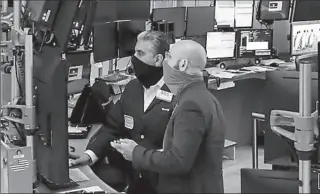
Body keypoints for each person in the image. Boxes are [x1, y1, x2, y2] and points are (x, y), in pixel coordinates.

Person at [111, 40, 226, 193]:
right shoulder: (204, 97)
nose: (164, 62)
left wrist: (136, 152)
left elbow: (178, 161)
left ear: (183, 64)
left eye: (169, 57)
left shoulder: (190, 104)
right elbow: (190, 151)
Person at [69, 31, 174, 193]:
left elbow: (178, 153)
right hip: (135, 179)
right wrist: (90, 155)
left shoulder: (177, 94)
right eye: (134, 52)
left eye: (140, 53)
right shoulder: (132, 89)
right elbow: (112, 127)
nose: (134, 59)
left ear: (158, 59)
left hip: (164, 182)